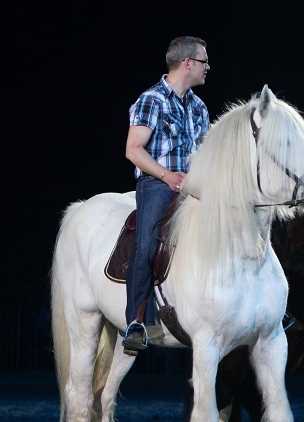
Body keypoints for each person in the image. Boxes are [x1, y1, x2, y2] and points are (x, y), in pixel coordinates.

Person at [122, 36, 211, 352]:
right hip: (158, 184)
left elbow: (204, 152)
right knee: (147, 243)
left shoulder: (199, 107)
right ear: (188, 63)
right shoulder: (152, 100)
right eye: (204, 61)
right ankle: (136, 321)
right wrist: (167, 176)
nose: (207, 67)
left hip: (194, 185)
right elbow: (133, 150)